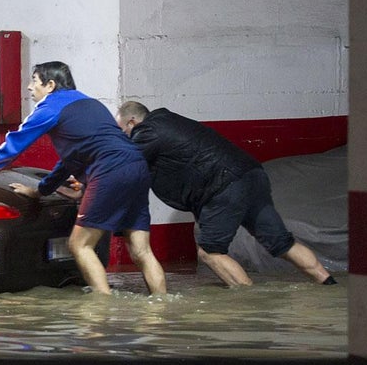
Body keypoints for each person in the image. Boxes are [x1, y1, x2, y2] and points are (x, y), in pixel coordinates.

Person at [0, 61, 166, 296]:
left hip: (109, 171)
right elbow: (72, 158)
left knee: (79, 245)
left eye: (34, 81)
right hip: (138, 167)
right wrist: (41, 190)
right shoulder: (90, 103)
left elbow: (13, 146)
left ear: (50, 85)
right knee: (141, 251)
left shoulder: (50, 107)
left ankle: (102, 312)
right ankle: (161, 309)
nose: (29, 87)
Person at [115, 101, 336, 287]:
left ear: (132, 122)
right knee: (282, 243)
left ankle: (250, 304)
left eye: (122, 131)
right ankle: (328, 284)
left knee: (210, 252)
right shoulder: (170, 120)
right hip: (253, 175)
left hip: (225, 185)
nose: (124, 137)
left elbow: (123, 162)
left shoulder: (147, 131)